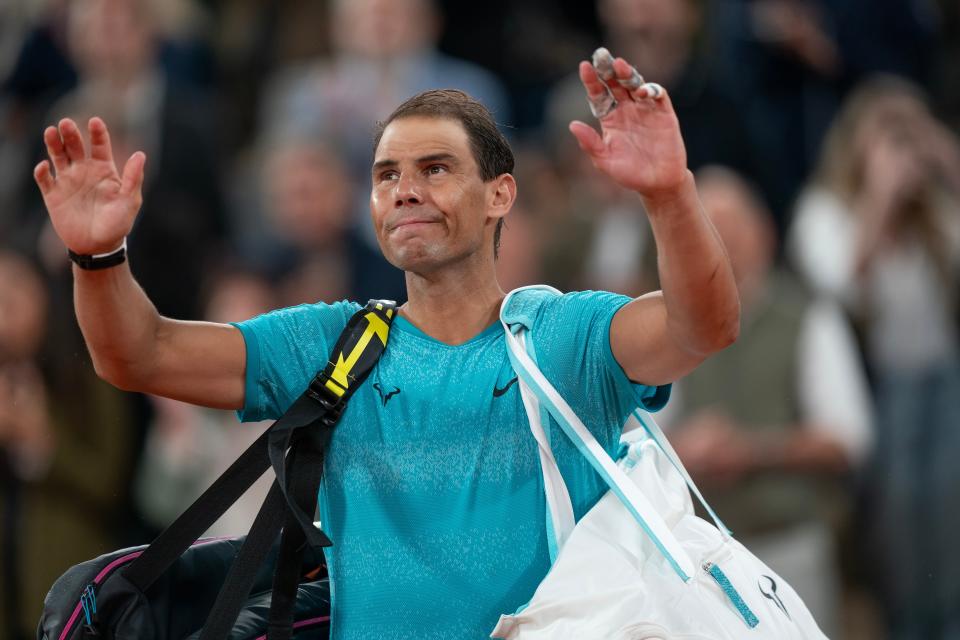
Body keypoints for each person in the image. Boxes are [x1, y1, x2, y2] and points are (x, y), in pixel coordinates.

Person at [33, 48, 740, 638]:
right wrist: (100, 258)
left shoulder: (560, 336)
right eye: (385, 175)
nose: (404, 190)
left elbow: (702, 325)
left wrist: (669, 192)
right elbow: (139, 354)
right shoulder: (334, 342)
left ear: (499, 195)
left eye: (435, 169)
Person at [661, 166, 873, 636]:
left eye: (734, 229)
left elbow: (847, 439)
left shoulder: (808, 314)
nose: (724, 244)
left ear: (765, 234)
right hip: (701, 554)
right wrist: (686, 446)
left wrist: (752, 452)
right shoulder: (669, 325)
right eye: (710, 231)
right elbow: (641, 436)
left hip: (790, 540)